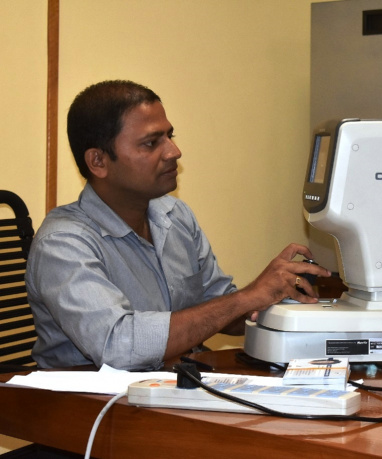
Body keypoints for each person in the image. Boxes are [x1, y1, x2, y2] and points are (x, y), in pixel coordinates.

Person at [25, 80, 330, 371]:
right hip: (90, 409)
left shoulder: (174, 214)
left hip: (171, 386)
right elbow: (119, 346)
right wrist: (246, 298)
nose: (173, 151)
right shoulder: (63, 242)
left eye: (170, 136)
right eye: (151, 143)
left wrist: (275, 291)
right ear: (98, 162)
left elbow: (222, 311)